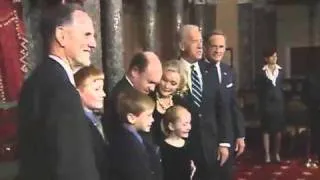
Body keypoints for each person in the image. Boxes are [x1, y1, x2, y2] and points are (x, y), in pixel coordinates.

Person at [18, 4, 99, 180]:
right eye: (87, 35)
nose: (93, 44)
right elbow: (72, 168)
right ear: (61, 35)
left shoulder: (35, 81)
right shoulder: (63, 92)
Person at [178, 24, 232, 180]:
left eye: (201, 41)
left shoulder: (210, 70)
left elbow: (222, 110)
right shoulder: (172, 71)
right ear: (182, 45)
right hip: (184, 146)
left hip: (211, 146)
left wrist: (224, 142)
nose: (201, 45)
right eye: (195, 41)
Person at [103, 51, 163, 180]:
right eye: (150, 82)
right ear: (135, 71)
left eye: (156, 84)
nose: (153, 88)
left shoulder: (143, 92)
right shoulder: (119, 97)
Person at [203, 30, 246, 179]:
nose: (218, 50)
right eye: (214, 46)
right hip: (208, 138)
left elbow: (234, 105)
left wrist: (240, 135)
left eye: (221, 46)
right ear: (205, 47)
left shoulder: (229, 71)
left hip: (229, 135)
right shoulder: (198, 71)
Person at [108, 89, 157, 180]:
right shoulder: (125, 144)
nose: (152, 120)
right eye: (148, 115)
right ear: (131, 118)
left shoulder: (138, 138)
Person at [74, 65, 109, 178]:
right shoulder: (78, 124)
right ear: (78, 92)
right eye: (97, 89)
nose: (103, 94)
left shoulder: (98, 120)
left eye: (102, 89)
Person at [256, 48, 285, 163]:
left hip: (278, 104)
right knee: (266, 130)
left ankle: (276, 153)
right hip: (266, 104)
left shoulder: (281, 71)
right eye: (272, 56)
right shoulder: (261, 73)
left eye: (276, 56)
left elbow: (282, 88)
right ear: (266, 58)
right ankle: (267, 154)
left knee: (278, 130)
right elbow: (259, 90)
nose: (275, 58)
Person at [150, 59, 188, 145]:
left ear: (179, 85)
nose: (167, 86)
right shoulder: (148, 98)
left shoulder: (182, 104)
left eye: (173, 83)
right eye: (164, 80)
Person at [160, 105, 195, 180]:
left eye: (189, 123)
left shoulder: (188, 145)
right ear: (171, 126)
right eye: (184, 124)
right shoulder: (162, 148)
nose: (189, 127)